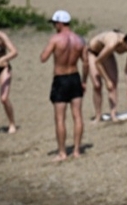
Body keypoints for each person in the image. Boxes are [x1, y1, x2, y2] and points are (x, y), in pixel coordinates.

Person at [40, 10, 89, 162]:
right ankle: (76, 150)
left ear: (60, 23)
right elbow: (86, 62)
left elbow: (43, 58)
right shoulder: (80, 40)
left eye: (55, 23)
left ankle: (62, 152)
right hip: (75, 77)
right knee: (77, 115)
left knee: (60, 118)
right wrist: (84, 81)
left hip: (60, 78)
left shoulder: (55, 39)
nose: (54, 26)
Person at [87, 29, 127, 122]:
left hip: (106, 54)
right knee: (97, 85)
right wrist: (106, 79)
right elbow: (98, 62)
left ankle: (113, 114)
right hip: (93, 53)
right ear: (126, 43)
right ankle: (98, 116)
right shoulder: (113, 42)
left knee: (113, 84)